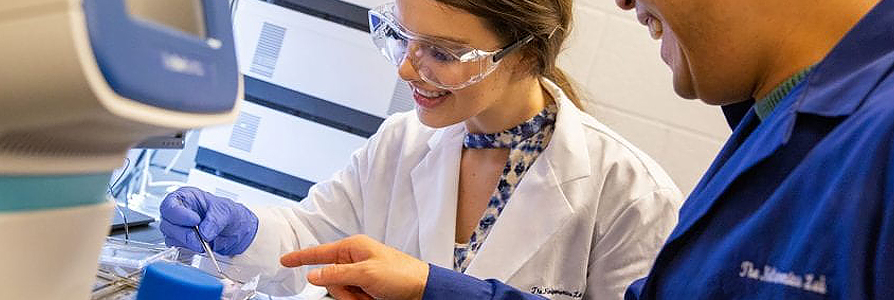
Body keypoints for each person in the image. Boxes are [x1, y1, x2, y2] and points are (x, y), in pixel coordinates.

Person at [282, 0, 894, 299]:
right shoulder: (771, 128)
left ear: (522, 54)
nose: (624, 2)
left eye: (444, 52)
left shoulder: (874, 142)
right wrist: (430, 290)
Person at [159, 0, 682, 298]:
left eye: (443, 53)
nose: (408, 69)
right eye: (402, 38)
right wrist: (245, 231)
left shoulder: (631, 195)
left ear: (526, 55)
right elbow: (316, 239)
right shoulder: (403, 140)